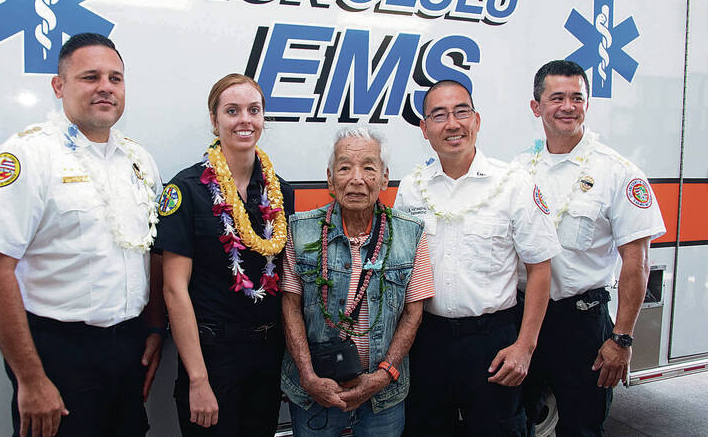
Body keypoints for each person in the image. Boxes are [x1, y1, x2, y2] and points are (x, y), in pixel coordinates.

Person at [0, 33, 165, 437]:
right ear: (58, 86)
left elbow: (151, 253)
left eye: (115, 78)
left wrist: (153, 329)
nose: (105, 87)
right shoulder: (28, 155)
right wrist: (30, 378)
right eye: (90, 77)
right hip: (56, 352)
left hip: (128, 348)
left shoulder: (139, 160)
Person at [395, 80, 561, 436]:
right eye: (438, 115)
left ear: (477, 120)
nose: (452, 124)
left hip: (493, 342)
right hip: (427, 341)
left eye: (461, 112)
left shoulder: (514, 183)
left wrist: (524, 347)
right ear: (424, 129)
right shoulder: (412, 187)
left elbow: (540, 270)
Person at [514, 60, 666, 435]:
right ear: (537, 107)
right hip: (520, 319)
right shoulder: (519, 170)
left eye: (577, 98)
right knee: (514, 423)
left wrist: (622, 339)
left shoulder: (618, 172)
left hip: (581, 324)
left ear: (587, 104)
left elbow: (637, 261)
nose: (568, 106)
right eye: (557, 98)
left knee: (582, 427)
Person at [155, 73, 295, 436]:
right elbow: (174, 291)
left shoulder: (279, 193)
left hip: (266, 357)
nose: (244, 120)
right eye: (232, 111)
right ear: (214, 121)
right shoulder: (186, 190)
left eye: (254, 110)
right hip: (212, 359)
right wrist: (198, 380)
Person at [280, 127, 434, 437]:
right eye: (345, 167)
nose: (356, 179)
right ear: (330, 177)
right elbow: (290, 307)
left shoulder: (410, 233)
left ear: (384, 177)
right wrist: (309, 377)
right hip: (314, 394)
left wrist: (382, 375)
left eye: (368, 167)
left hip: (383, 396)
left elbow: (413, 314)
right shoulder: (300, 230)